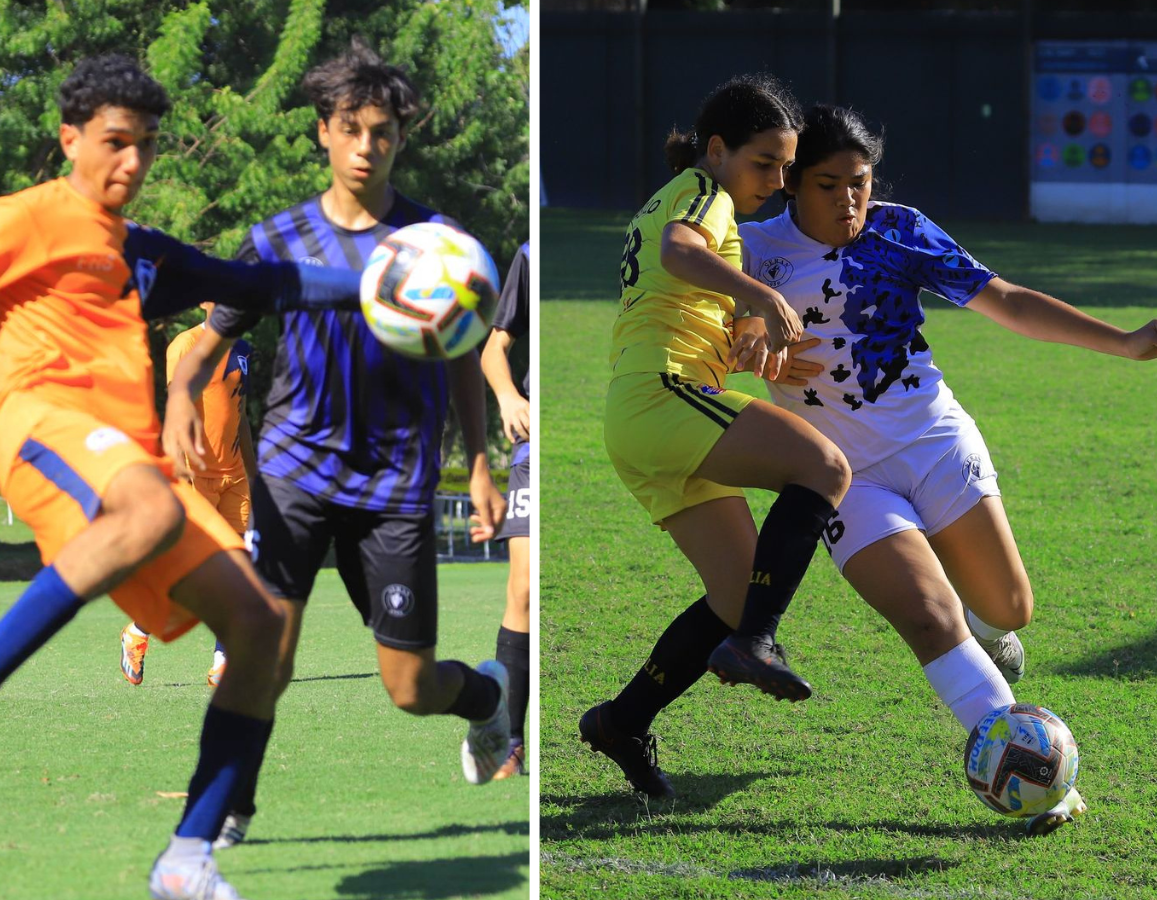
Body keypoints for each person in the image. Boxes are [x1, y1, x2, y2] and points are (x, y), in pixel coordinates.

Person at [0, 54, 390, 899]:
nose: (133, 163)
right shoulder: (23, 218)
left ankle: (187, 859)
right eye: (116, 143)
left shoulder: (143, 254)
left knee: (262, 627)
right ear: (70, 138)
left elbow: (258, 282)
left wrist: (375, 286)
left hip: (128, 460)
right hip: (39, 425)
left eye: (147, 145)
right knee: (150, 506)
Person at [737, 103, 1156, 834]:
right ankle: (1040, 782)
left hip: (934, 441)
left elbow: (1010, 302)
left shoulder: (901, 230)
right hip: (840, 474)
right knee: (928, 617)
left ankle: (986, 631)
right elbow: (688, 334)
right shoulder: (750, 250)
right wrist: (739, 345)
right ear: (793, 185)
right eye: (829, 185)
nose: (849, 201)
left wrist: (1126, 344)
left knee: (1010, 609)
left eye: (859, 183)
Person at [163, 36, 512, 849]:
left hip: (393, 487)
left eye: (382, 131)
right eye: (350, 128)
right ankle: (226, 809)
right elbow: (212, 336)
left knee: (409, 685)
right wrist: (179, 394)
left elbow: (463, 356)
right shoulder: (278, 239)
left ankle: (488, 700)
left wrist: (483, 464)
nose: (366, 147)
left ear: (399, 137)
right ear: (323, 129)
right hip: (293, 475)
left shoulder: (438, 243)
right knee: (264, 654)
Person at [578, 75, 852, 799]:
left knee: (736, 593)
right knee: (823, 467)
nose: (779, 181)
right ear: (718, 150)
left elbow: (677, 299)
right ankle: (758, 641)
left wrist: (750, 346)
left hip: (647, 409)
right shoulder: (704, 193)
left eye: (787, 169)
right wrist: (758, 293)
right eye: (766, 163)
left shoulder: (698, 201)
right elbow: (676, 253)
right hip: (662, 395)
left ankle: (622, 721)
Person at [120, 304, 256, 687]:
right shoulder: (186, 345)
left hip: (236, 479)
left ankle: (224, 660)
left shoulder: (243, 350)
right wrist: (179, 474)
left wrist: (255, 475)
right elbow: (177, 411)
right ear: (205, 303)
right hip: (195, 476)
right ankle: (137, 631)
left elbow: (240, 415)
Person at [481, 241, 531, 779]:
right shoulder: (529, 255)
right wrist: (508, 396)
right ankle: (510, 745)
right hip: (530, 452)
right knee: (521, 588)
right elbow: (494, 349)